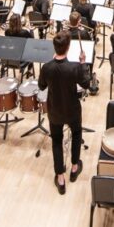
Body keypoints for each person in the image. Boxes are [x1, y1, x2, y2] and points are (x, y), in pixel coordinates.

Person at [38, 32, 91, 195]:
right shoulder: (74, 67)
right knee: (76, 135)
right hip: (72, 110)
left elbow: (41, 87)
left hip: (54, 110)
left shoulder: (46, 68)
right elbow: (86, 84)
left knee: (56, 141)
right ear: (68, 48)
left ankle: (60, 178)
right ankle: (75, 168)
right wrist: (83, 64)